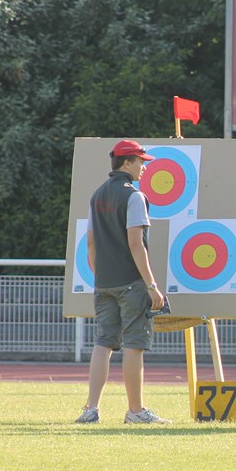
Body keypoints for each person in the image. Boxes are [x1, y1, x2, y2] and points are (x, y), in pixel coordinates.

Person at [75, 139, 170, 425]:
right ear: (127, 162)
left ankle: (91, 409)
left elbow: (91, 242)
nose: (144, 168)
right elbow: (136, 244)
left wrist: (100, 275)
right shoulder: (134, 196)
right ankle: (136, 410)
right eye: (141, 162)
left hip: (103, 281)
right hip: (131, 282)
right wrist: (152, 285)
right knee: (134, 344)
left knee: (103, 343)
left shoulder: (97, 195)